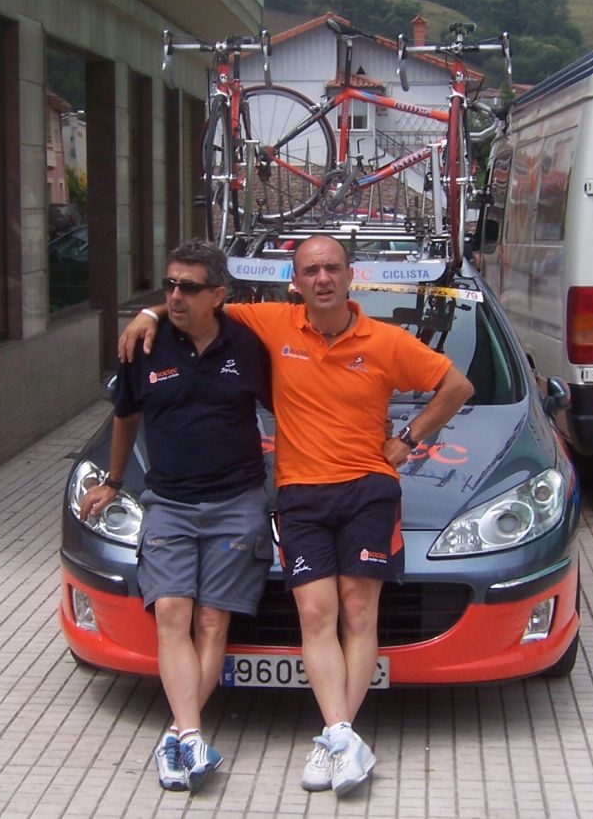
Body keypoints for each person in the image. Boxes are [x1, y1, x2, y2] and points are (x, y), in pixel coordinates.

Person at [119, 235, 473, 797]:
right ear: (296, 281)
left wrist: (408, 438)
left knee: (358, 609)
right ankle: (338, 737)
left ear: (351, 276)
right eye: (311, 270)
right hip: (301, 492)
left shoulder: (386, 340)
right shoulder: (273, 323)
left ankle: (338, 736)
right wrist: (148, 312)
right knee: (315, 611)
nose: (322, 278)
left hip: (368, 487)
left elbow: (457, 386)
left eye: (332, 268)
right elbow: (195, 302)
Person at [83, 242, 272, 793]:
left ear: (218, 295)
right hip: (168, 503)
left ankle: (178, 735)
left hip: (237, 502)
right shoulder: (143, 345)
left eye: (189, 287)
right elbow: (125, 417)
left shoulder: (248, 344)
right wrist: (113, 481)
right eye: (169, 286)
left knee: (212, 620)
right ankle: (189, 735)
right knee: (171, 610)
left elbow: (289, 410)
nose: (175, 296)